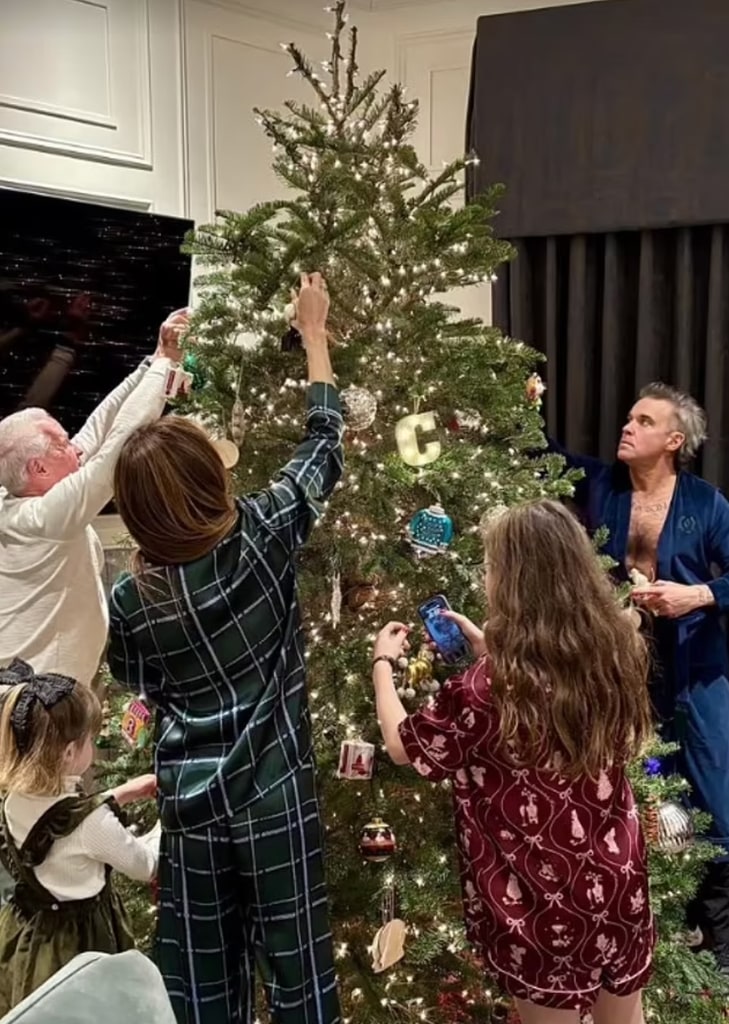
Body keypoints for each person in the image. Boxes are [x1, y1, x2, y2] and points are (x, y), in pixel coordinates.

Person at [106, 272, 343, 1024]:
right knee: (301, 979)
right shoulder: (265, 531)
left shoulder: (132, 601)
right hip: (275, 794)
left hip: (193, 808)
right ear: (212, 478)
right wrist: (313, 336)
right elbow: (324, 442)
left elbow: (139, 683)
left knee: (204, 993)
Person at [372, 500, 655, 1024]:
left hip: (539, 906)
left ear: (512, 581)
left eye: (491, 566)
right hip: (618, 886)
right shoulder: (618, 648)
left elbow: (402, 745)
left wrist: (382, 664)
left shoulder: (485, 690)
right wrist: (490, 653)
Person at [548, 382, 729, 968]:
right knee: (637, 801)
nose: (627, 427)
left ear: (673, 440)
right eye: (628, 417)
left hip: (695, 676)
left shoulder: (706, 503)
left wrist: (697, 594)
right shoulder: (604, 487)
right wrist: (519, 403)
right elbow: (542, 454)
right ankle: (657, 943)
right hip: (619, 678)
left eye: (643, 421)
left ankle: (720, 953)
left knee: (716, 807)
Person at [0, 309, 189, 688]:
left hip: (53, 692)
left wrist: (153, 359)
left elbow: (98, 428)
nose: (73, 443)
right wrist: (166, 365)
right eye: (60, 442)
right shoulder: (41, 519)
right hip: (35, 702)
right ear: (38, 469)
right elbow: (117, 446)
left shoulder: (24, 489)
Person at [0, 658, 159, 1016]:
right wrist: (167, 826)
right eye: (88, 739)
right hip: (83, 943)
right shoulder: (93, 824)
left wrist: (122, 792)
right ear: (71, 752)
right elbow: (144, 865)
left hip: (33, 935)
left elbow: (58, 827)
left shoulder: (16, 799)